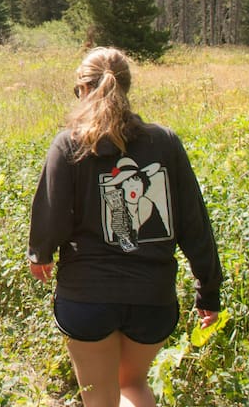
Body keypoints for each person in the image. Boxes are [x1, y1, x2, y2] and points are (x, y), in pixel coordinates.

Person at [28, 47, 222, 407]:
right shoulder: (164, 142)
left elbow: (51, 216)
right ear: (127, 89)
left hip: (87, 299)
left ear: (82, 90)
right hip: (152, 299)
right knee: (133, 385)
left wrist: (40, 253)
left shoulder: (69, 144)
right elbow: (194, 223)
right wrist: (208, 290)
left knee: (100, 399)